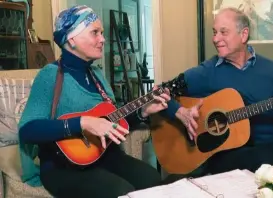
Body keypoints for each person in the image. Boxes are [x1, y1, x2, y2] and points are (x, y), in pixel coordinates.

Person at [161, 7, 273, 186]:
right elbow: (161, 92)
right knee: (266, 158)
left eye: (223, 32)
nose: (215, 39)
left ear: (244, 35)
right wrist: (180, 112)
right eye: (214, 32)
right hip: (225, 157)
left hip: (268, 152)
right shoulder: (206, 72)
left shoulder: (272, 71)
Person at [18, 5, 171, 198]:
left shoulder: (97, 75)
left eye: (102, 33)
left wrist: (143, 112)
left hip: (105, 156)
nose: (103, 39)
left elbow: (111, 123)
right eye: (95, 33)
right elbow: (27, 130)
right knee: (120, 191)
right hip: (63, 167)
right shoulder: (49, 76)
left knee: (152, 179)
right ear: (72, 39)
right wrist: (82, 123)